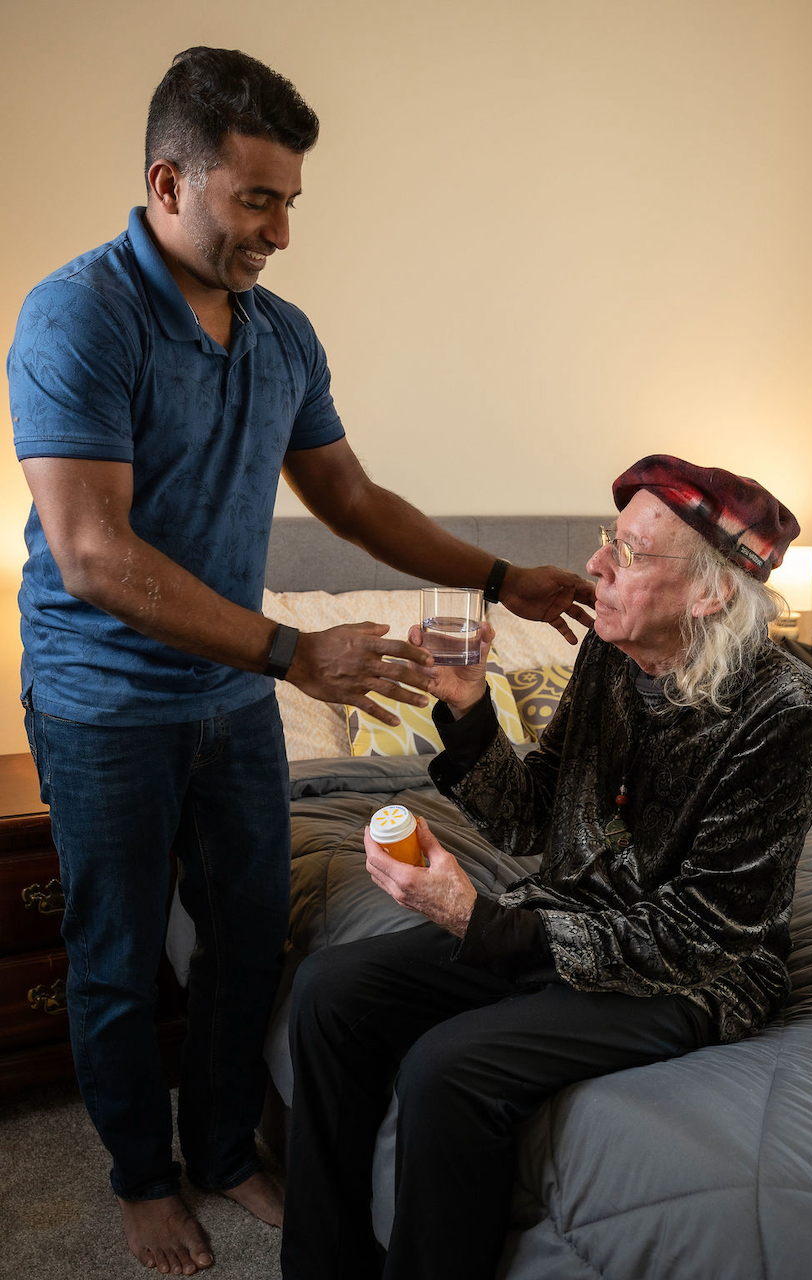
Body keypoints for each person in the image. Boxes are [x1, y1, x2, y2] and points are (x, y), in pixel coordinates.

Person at [7, 47, 593, 1278]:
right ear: (169, 183)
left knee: (247, 936)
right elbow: (95, 551)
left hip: (228, 699)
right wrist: (291, 649)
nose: (278, 231)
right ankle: (136, 1175)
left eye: (290, 203)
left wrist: (501, 576)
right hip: (104, 698)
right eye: (255, 199)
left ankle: (222, 1145)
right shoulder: (76, 314)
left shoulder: (282, 335)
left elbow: (349, 496)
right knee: (114, 952)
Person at [281, 454, 812, 1280]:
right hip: (564, 918)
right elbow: (534, 814)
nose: (596, 565)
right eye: (611, 539)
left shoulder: (781, 708)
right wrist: (467, 711)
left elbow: (702, 933)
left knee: (448, 1067)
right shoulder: (611, 654)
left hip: (694, 974)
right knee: (329, 992)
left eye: (632, 555)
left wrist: (484, 924)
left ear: (713, 593)